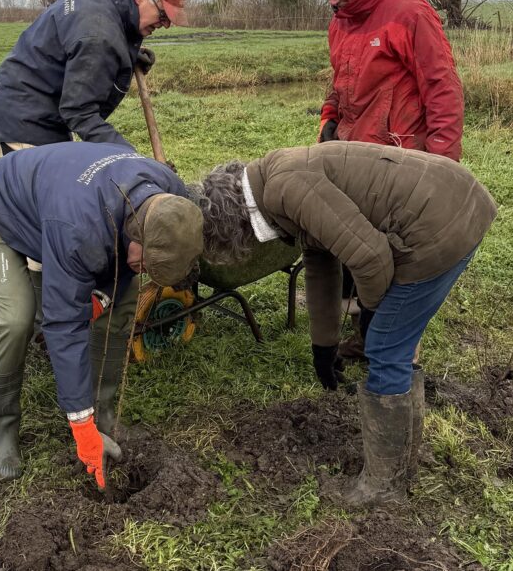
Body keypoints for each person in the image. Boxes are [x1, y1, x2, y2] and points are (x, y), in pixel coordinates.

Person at [194, 141, 496, 506]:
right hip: (445, 199)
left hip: (440, 221)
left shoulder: (286, 189)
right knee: (393, 341)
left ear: (238, 226)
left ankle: (385, 486)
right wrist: (323, 346)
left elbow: (370, 260)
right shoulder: (269, 181)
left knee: (385, 345)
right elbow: (321, 263)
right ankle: (404, 460)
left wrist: (371, 317)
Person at [0, 142, 203, 488]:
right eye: (145, 263)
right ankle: (3, 429)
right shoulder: (80, 231)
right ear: (136, 230)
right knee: (18, 319)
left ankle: (102, 412)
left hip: (60, 203)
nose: (144, 271)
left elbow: (124, 266)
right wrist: (79, 426)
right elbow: (64, 323)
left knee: (120, 306)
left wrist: (104, 297)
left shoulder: (173, 200)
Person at [311, 0, 466, 358]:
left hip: (402, 158)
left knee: (398, 253)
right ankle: (365, 332)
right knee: (361, 249)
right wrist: (329, 118)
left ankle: (395, 347)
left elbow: (443, 90)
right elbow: (339, 82)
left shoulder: (410, 14)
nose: (334, 2)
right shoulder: (339, 23)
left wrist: (443, 167)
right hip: (352, 157)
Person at [0, 0, 189, 157]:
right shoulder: (99, 37)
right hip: (22, 121)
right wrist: (131, 158)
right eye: (163, 15)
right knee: (49, 194)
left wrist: (126, 55)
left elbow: (81, 46)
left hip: (28, 102)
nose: (165, 24)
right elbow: (79, 112)